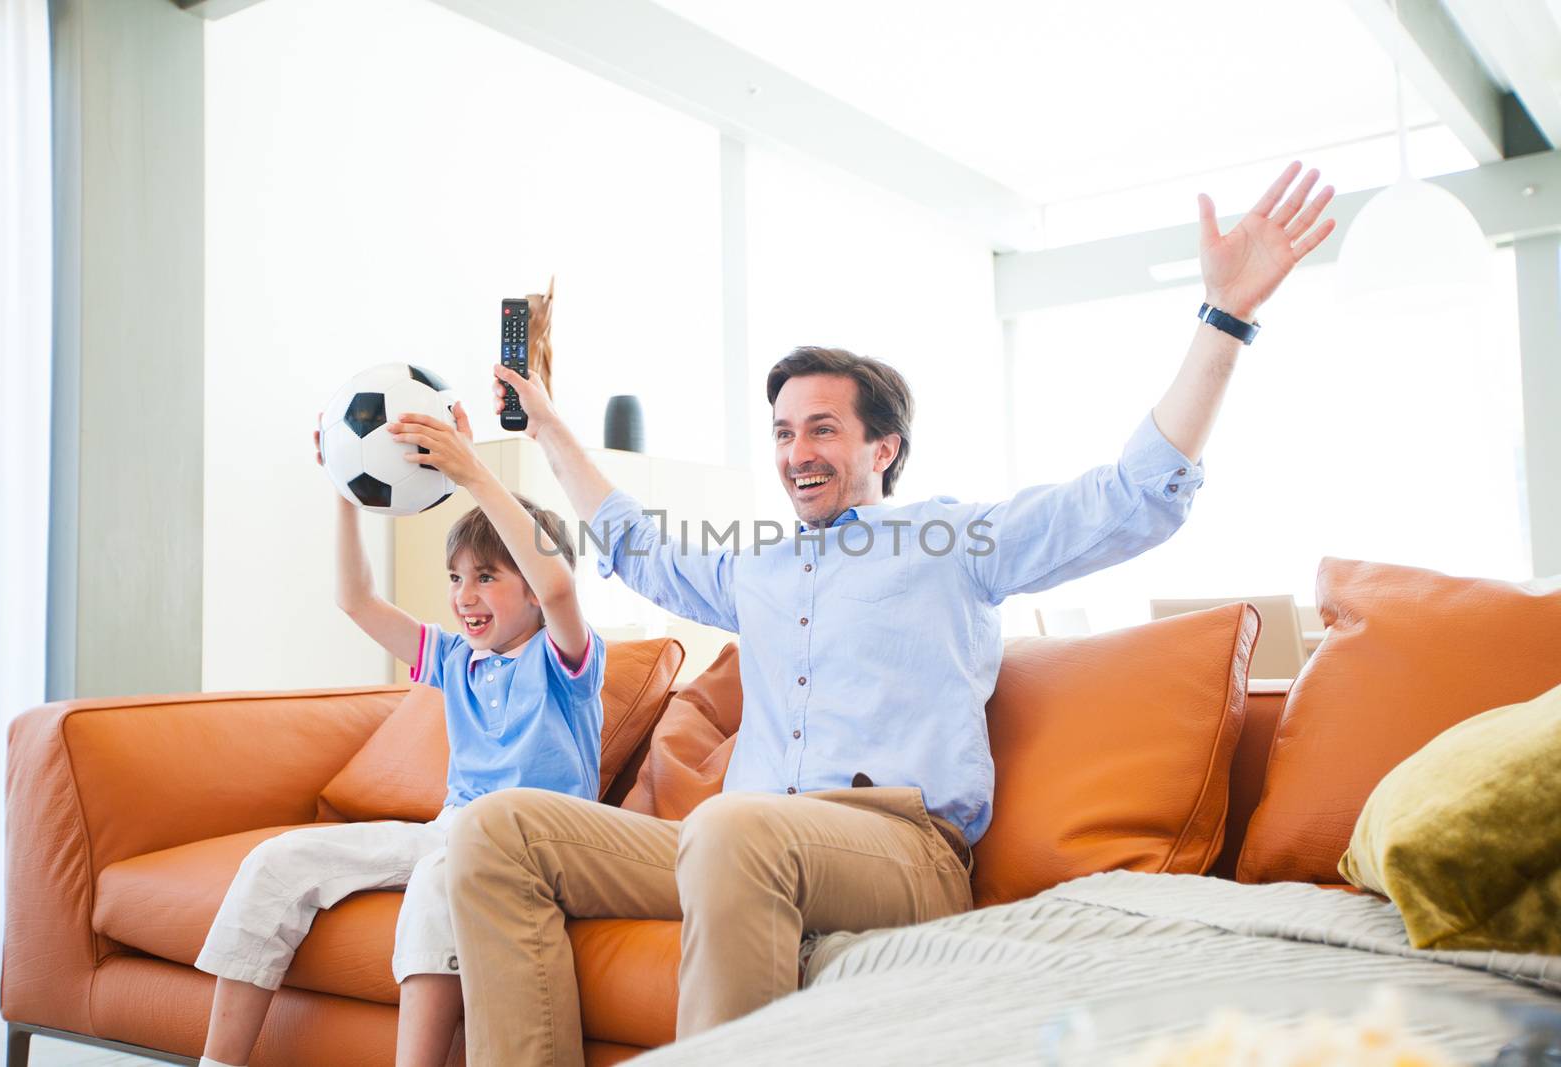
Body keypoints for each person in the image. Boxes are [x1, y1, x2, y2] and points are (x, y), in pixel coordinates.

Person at [445, 163, 1337, 1067]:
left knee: (729, 826)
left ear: (884, 445)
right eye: (785, 432)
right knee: (496, 830)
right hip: (735, 842)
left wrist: (1224, 315)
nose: (797, 452)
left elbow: (1132, 497)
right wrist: (547, 423)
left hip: (897, 847)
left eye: (823, 428)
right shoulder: (755, 566)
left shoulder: (949, 538)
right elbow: (633, 542)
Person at [192, 376, 606, 1067]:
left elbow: (560, 582)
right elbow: (355, 599)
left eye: (487, 577)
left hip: (536, 845)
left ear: (533, 592)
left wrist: (472, 471)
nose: (464, 597)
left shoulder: (565, 659)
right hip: (450, 831)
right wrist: (342, 486)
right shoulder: (455, 661)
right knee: (277, 861)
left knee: (438, 877)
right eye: (454, 579)